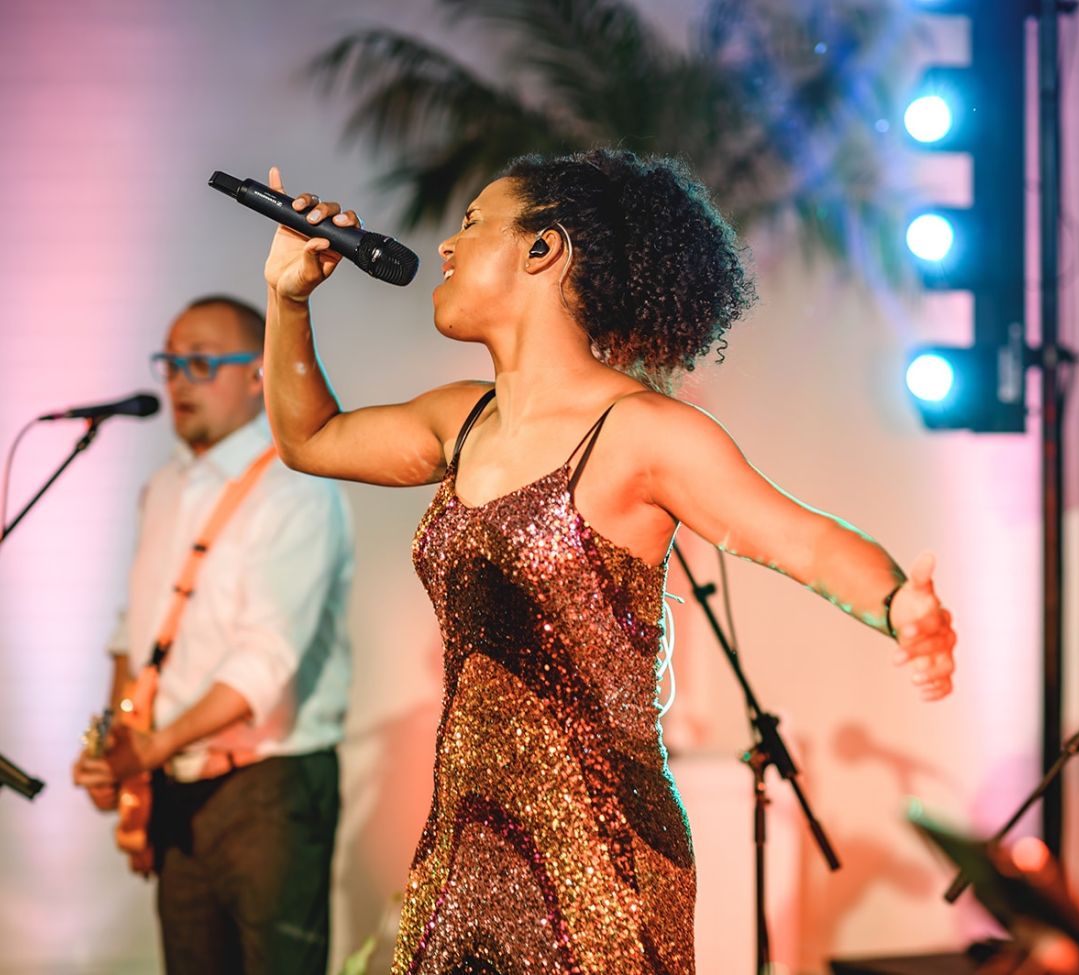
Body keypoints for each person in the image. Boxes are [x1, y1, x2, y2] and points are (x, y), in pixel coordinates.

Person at [260, 149, 957, 975]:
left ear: (543, 249)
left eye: (474, 222)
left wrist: (895, 604)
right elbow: (308, 438)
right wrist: (286, 297)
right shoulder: (461, 422)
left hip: (601, 862)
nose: (445, 246)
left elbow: (801, 540)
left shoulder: (640, 432)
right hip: (462, 852)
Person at [71, 295, 354, 975]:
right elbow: (131, 635)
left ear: (258, 373)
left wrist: (152, 746)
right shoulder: (164, 486)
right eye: (169, 363)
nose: (177, 381)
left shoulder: (297, 484)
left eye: (200, 362)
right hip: (174, 781)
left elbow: (267, 661)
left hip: (269, 787)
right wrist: (121, 746)